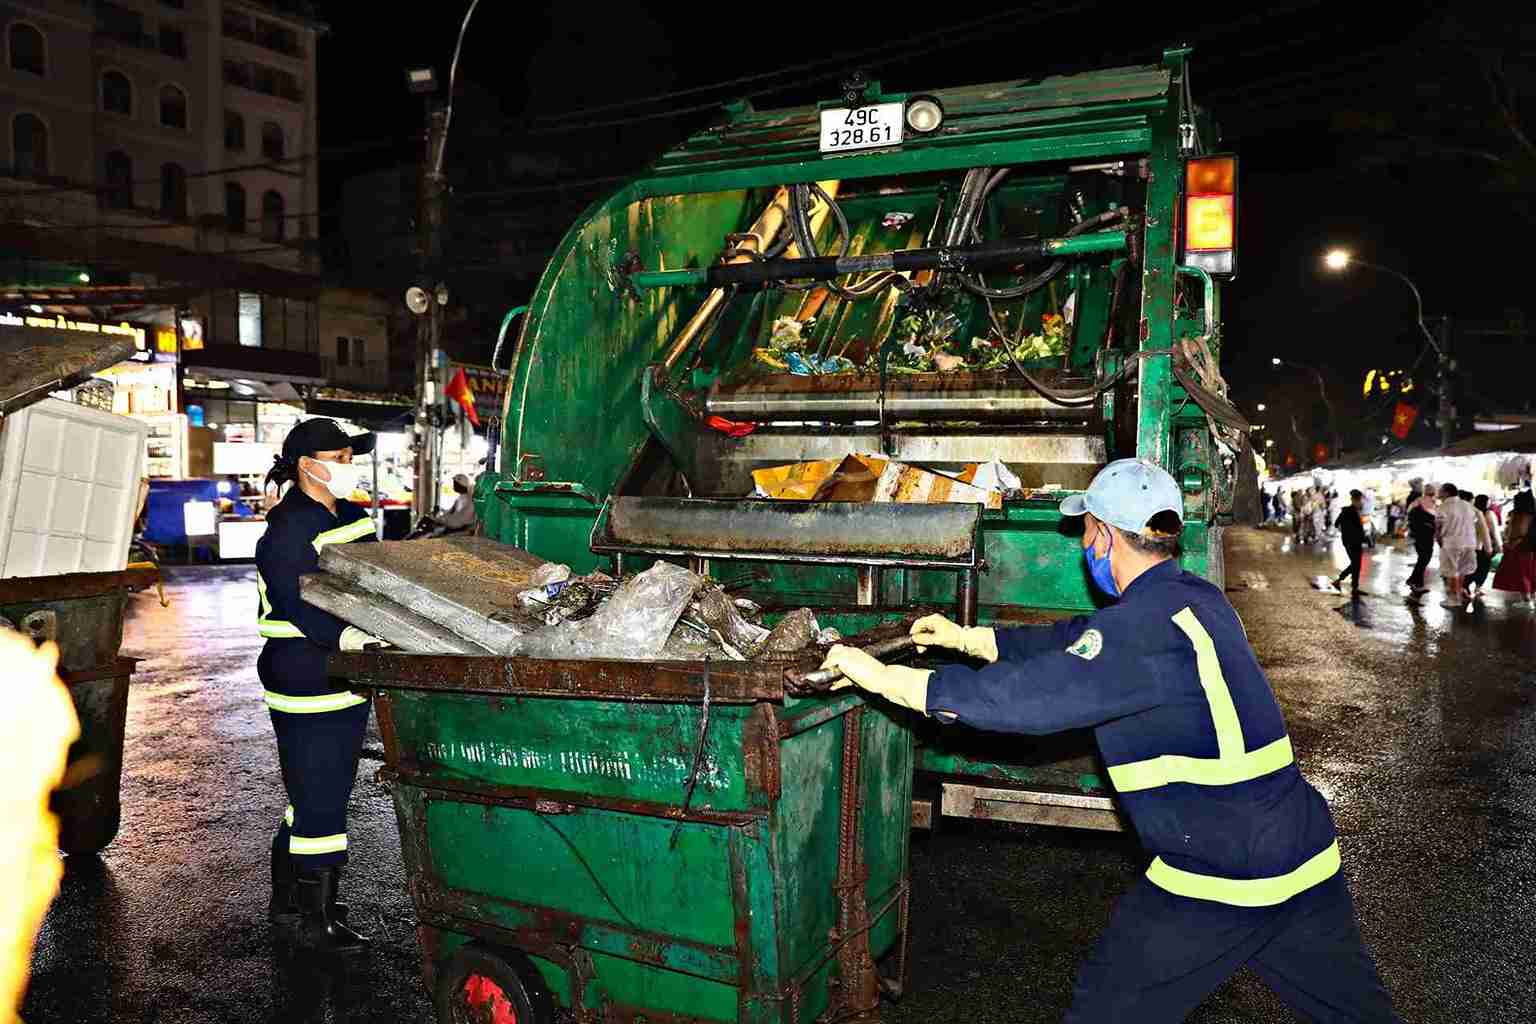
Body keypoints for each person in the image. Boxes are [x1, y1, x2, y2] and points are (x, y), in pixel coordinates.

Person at [819, 459, 1400, 1023]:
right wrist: (972, 639)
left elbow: (1032, 699)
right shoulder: (1195, 599)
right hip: (1301, 855)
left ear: (1103, 533)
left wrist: (892, 681)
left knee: (1108, 1003)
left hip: (1223, 870)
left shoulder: (1139, 631)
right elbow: (1077, 642)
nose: (1083, 544)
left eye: (1085, 530)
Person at [255, 418, 385, 955]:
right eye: (340, 458)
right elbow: (296, 602)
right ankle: (317, 920)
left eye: (351, 458)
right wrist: (351, 638)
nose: (349, 467)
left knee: (316, 788)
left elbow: (375, 579)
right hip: (304, 671)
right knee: (322, 796)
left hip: (342, 669)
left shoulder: (352, 516)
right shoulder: (286, 529)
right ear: (308, 466)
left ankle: (291, 899)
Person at [1434, 484, 1478, 609]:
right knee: (1462, 570)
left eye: (1440, 491)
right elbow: (1474, 520)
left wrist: (1439, 540)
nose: (1438, 493)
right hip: (1469, 543)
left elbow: (1438, 526)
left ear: (1447, 493)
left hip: (1452, 543)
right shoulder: (1467, 505)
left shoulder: (1443, 507)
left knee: (1451, 571)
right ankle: (1458, 594)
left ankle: (1453, 599)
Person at [1492, 490, 1536, 609]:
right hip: (1530, 547)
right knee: (1530, 573)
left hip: (1520, 547)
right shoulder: (1532, 513)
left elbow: (1520, 530)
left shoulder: (1521, 514)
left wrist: (1512, 542)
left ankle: (1527, 600)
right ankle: (1531, 597)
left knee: (1521, 574)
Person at [1405, 486, 1439, 594]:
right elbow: (1436, 519)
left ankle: (1413, 580)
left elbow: (1408, 514)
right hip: (1424, 535)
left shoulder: (1417, 502)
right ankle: (1417, 583)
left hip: (1419, 535)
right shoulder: (1430, 503)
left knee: (1423, 559)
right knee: (1424, 559)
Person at [1333, 489, 1367, 596]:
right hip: (1352, 542)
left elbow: (1337, 524)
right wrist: (1347, 532)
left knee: (1356, 564)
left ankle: (1346, 583)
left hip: (1353, 541)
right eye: (1359, 500)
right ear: (1354, 500)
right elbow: (1337, 524)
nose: (1361, 502)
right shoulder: (1348, 511)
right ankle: (1350, 585)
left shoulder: (1352, 511)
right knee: (1356, 564)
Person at [1468, 493, 1496, 600]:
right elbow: (1494, 531)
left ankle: (1467, 586)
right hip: (1484, 545)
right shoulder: (1488, 514)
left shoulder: (1472, 512)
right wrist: (1498, 545)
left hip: (1471, 545)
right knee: (1483, 567)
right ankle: (1478, 587)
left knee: (1473, 567)